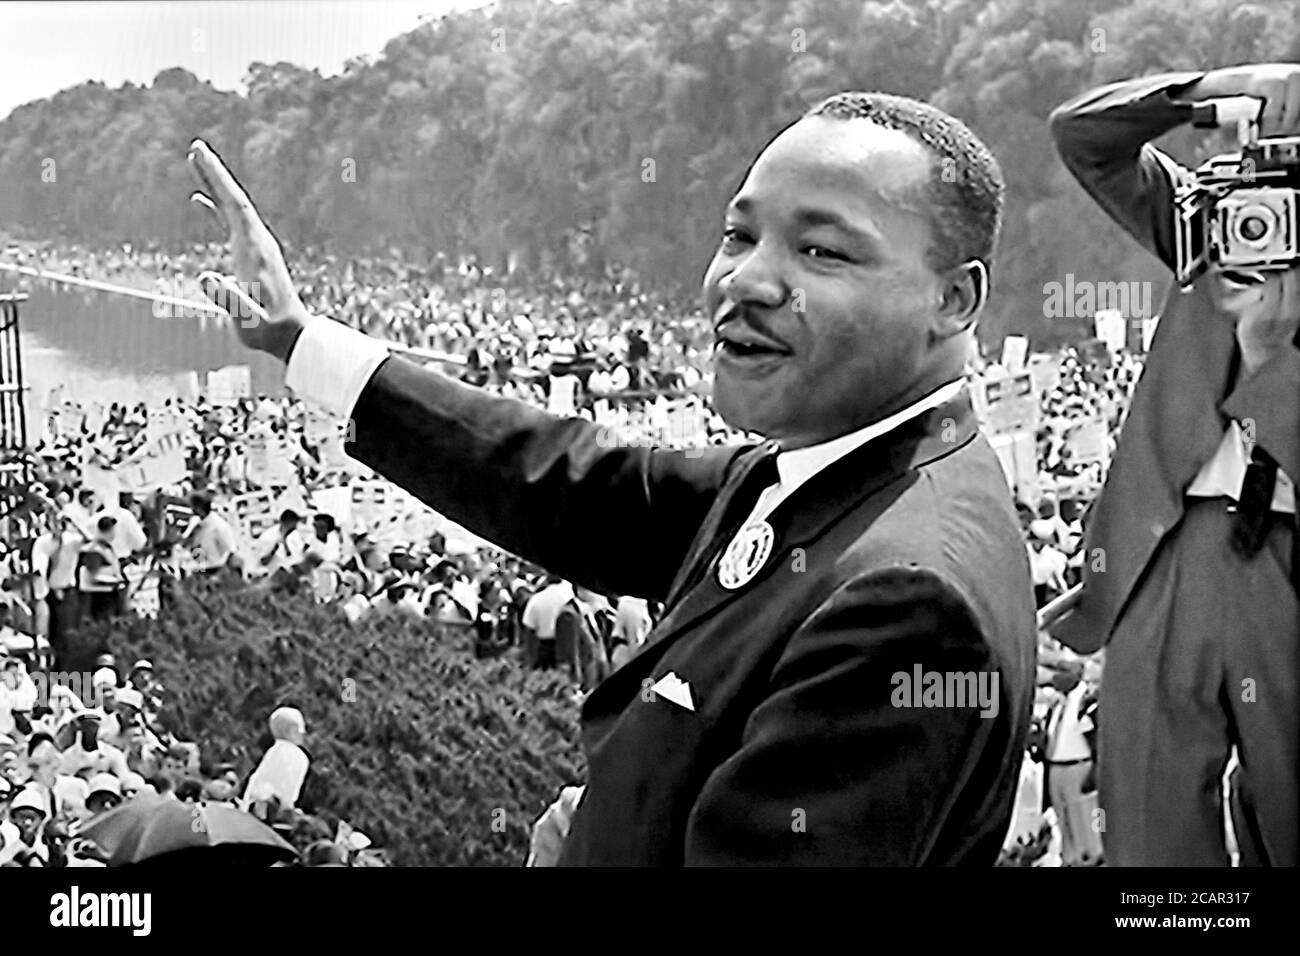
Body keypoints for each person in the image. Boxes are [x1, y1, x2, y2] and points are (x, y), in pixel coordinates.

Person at [188, 90, 1035, 866]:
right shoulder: (823, 473)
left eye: (820, 250)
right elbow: (564, 482)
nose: (745, 280)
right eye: (740, 235)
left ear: (954, 301)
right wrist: (300, 341)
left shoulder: (905, 604)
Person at [1050, 64, 1300, 866]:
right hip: (1172, 544)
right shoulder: (1218, 214)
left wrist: (1271, 359)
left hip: (1286, 555)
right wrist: (1220, 88)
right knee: (1151, 822)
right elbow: (1085, 138)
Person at [243, 706, 310, 812]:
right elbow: (288, 793)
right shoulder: (298, 756)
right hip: (271, 810)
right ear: (292, 730)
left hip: (251, 805)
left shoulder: (274, 750)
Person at [77, 516, 126, 622]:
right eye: (113, 530)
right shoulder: (94, 551)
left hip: (109, 596)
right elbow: (92, 577)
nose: (114, 534)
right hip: (98, 599)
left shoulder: (106, 548)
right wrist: (115, 581)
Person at [183, 491, 240, 575]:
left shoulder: (218, 526)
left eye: (191, 507)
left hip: (213, 567)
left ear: (199, 508)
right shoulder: (197, 522)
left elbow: (230, 550)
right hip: (198, 562)